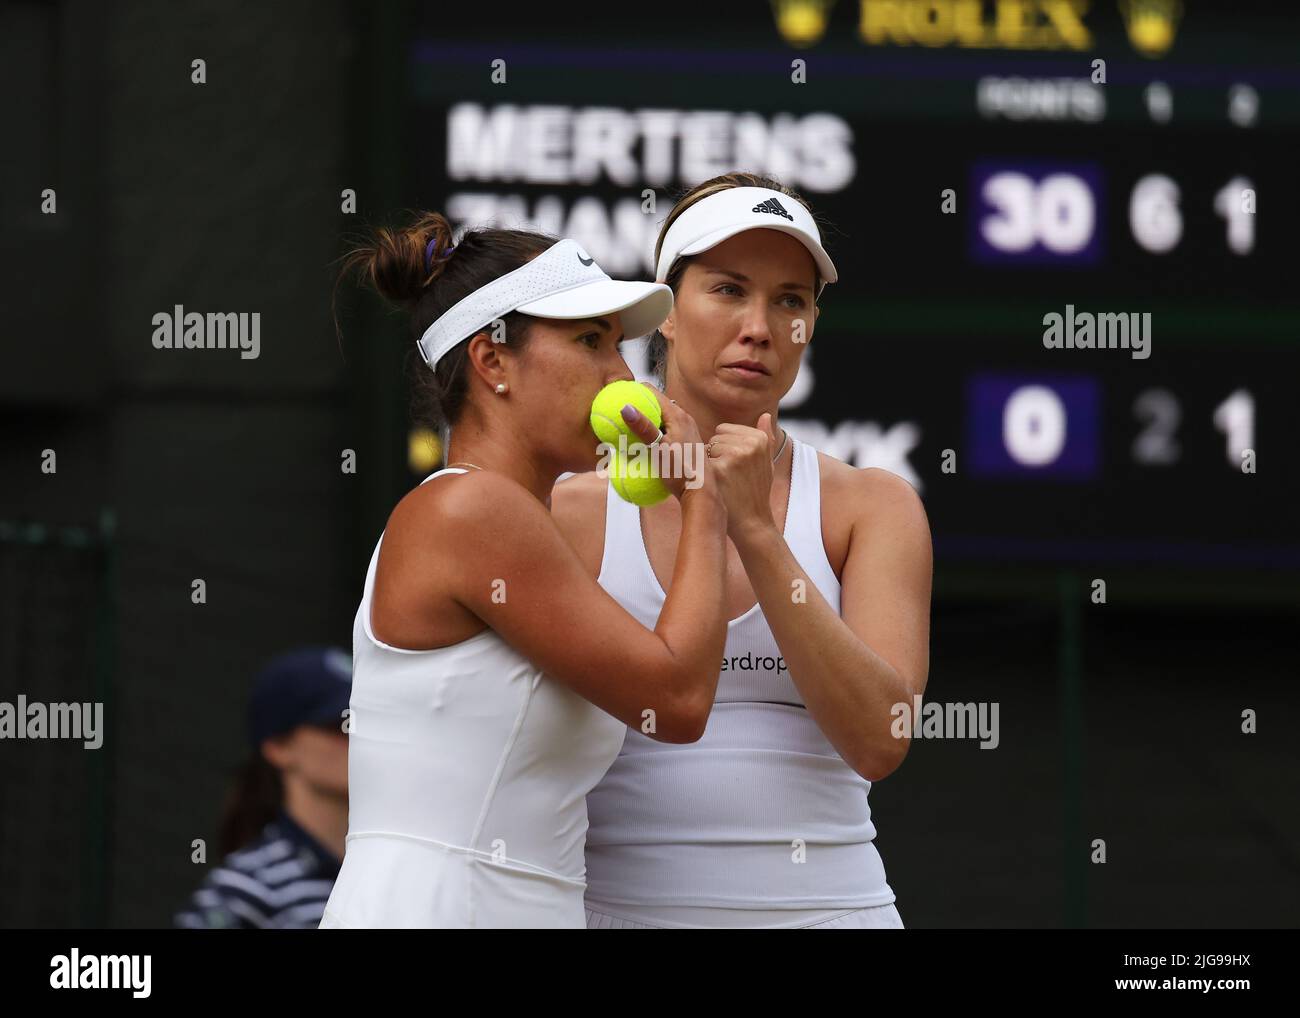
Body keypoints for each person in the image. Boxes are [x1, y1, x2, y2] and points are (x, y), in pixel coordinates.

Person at [318, 213, 768, 928]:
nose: (622, 376)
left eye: (618, 346)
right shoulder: (474, 510)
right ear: (492, 361)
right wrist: (706, 503)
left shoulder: (514, 520)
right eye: (589, 341)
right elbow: (678, 699)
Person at [551, 173, 934, 929]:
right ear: (664, 311)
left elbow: (881, 742)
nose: (760, 326)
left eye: (790, 299)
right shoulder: (568, 509)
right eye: (728, 289)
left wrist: (756, 530)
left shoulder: (874, 507)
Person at [174, 646, 352, 929]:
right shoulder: (244, 893)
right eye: (338, 724)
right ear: (278, 747)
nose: (356, 735)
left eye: (366, 722)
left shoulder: (393, 871)